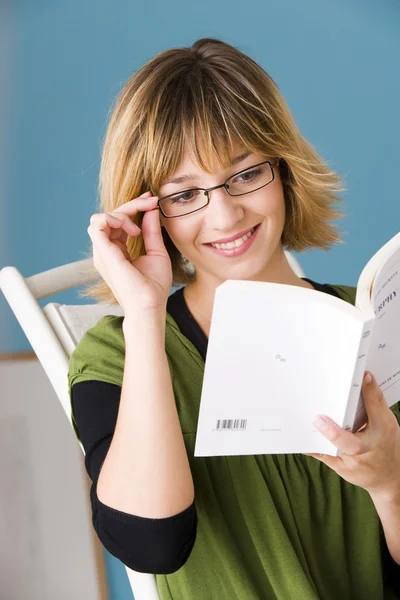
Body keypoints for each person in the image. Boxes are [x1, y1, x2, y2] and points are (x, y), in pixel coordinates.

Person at [68, 38, 400, 599]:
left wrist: (390, 485)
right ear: (151, 213)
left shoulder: (375, 323)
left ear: (286, 171)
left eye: (246, 175)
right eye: (185, 194)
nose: (224, 215)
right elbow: (153, 545)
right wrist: (145, 314)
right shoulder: (117, 356)